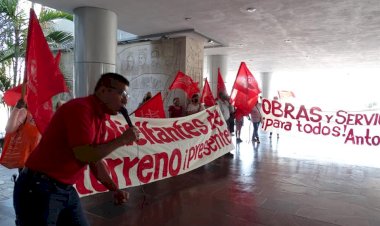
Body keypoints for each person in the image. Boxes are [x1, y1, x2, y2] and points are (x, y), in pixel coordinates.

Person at [13, 73, 139, 226]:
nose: (125, 100)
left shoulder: (100, 118)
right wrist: (122, 140)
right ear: (104, 91)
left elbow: (95, 160)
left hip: (63, 190)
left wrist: (114, 189)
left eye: (126, 95)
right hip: (39, 189)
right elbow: (84, 155)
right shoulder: (80, 109)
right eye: (121, 93)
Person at [4, 98, 41, 172]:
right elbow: (9, 128)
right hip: (27, 159)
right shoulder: (24, 112)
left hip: (39, 158)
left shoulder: (42, 114)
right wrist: (17, 108)